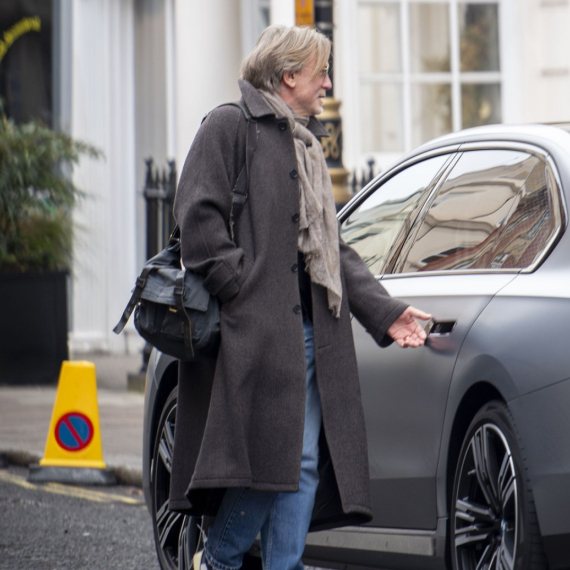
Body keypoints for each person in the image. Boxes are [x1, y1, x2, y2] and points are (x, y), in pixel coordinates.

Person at [171, 25, 431, 570]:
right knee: (269, 462)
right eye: (321, 74)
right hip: (255, 335)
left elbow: (332, 249)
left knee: (304, 462)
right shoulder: (228, 125)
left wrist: (386, 315)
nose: (328, 85)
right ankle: (218, 559)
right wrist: (241, 290)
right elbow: (197, 220)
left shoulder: (307, 145)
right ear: (289, 76)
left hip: (313, 332)